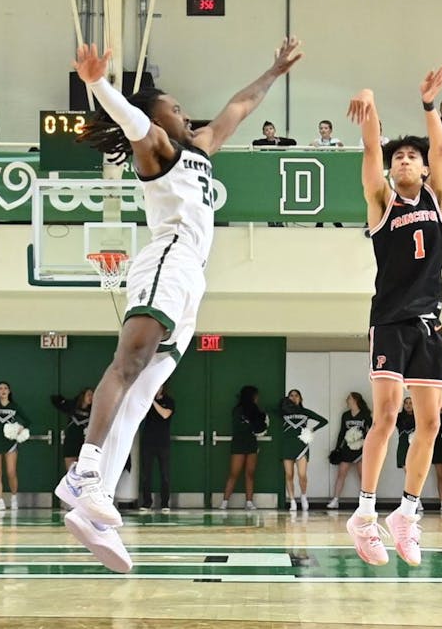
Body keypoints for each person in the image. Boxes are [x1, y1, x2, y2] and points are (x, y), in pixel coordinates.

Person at [53, 37, 301, 573]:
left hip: (192, 278)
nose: (185, 112)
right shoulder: (158, 147)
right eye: (175, 106)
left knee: (142, 394)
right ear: (156, 117)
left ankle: (95, 513)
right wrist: (98, 84)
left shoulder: (202, 148)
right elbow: (134, 122)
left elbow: (240, 105)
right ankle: (85, 472)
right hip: (166, 260)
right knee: (130, 365)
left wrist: (274, 69)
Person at [342, 66, 442, 567]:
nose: (405, 160)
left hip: (429, 323)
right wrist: (369, 95)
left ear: (423, 169)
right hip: (389, 320)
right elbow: (370, 150)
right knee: (386, 415)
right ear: (392, 172)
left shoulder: (438, 198)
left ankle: (405, 513)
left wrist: (429, 106)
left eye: (412, 157)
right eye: (399, 157)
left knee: (428, 422)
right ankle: (364, 514)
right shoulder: (382, 202)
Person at [278, 389, 328, 512]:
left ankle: (304, 496)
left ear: (300, 398)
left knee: (302, 475)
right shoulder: (283, 413)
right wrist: (283, 404)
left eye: (296, 396)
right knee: (289, 474)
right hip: (287, 445)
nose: (294, 398)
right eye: (291, 396)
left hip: (302, 446)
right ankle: (292, 501)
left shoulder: (305, 412)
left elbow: (323, 421)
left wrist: (312, 430)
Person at [220, 385, 267, 511]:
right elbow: (240, 427)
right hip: (239, 443)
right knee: (234, 473)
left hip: (251, 443)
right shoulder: (238, 410)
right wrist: (251, 425)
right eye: (256, 396)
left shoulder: (256, 410)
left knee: (250, 473)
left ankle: (249, 502)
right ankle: (224, 502)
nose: (257, 398)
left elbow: (259, 426)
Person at [0, 381, 30, 512]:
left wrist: (21, 427)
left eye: (5, 388)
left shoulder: (14, 406)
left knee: (11, 472)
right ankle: (0, 501)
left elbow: (28, 420)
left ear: (9, 391)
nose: (3, 390)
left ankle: (14, 497)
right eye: (0, 388)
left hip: (10, 442)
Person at [327, 392, 372, 510]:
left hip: (361, 448)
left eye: (349, 398)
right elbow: (342, 432)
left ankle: (365, 503)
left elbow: (370, 432)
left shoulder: (365, 415)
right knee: (341, 473)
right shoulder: (345, 415)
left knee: (363, 475)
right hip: (347, 448)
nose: (347, 400)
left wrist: (368, 446)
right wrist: (338, 447)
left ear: (355, 400)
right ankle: (335, 499)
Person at [139, 384, 175, 513]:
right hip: (147, 442)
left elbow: (165, 414)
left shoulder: (169, 401)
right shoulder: (146, 402)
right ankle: (146, 502)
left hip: (163, 443)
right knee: (146, 474)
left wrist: (152, 401)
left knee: (165, 474)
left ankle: (165, 503)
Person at [51, 388, 94, 471]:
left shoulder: (93, 411)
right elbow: (55, 400)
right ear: (83, 396)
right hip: (71, 442)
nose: (91, 397)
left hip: (84, 443)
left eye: (93, 395)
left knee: (83, 472)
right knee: (71, 472)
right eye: (89, 394)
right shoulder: (72, 407)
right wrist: (66, 401)